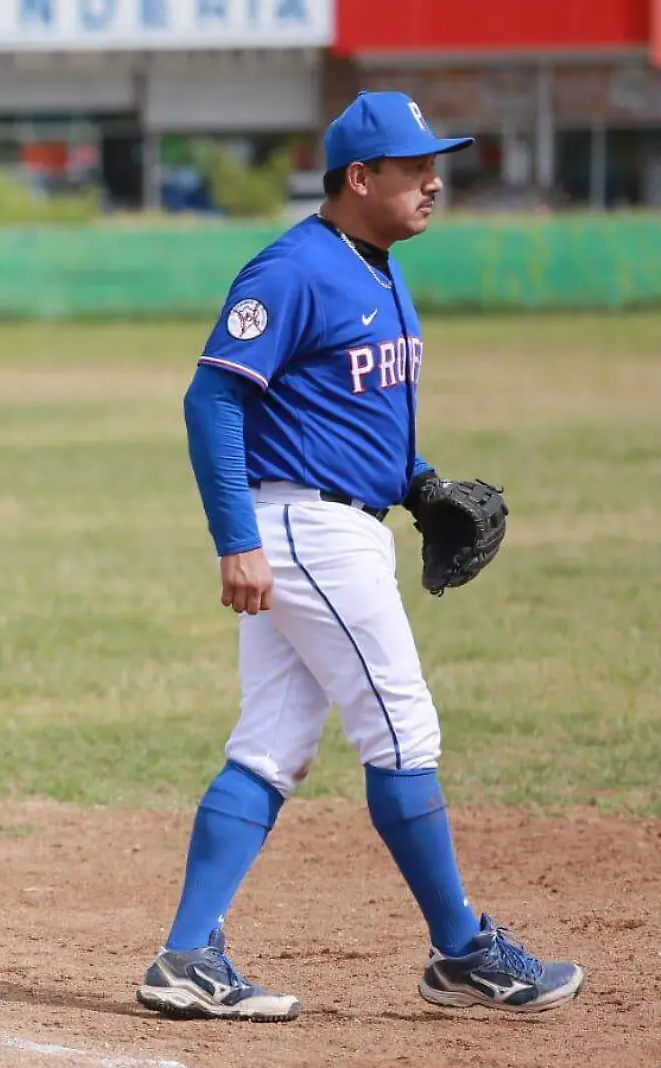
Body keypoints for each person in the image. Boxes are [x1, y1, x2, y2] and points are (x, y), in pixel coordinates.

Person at [136, 91, 586, 1022]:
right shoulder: (294, 270)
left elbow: (346, 412)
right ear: (358, 178)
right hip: (305, 531)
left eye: (436, 164)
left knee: (270, 748)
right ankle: (463, 952)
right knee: (402, 732)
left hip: (333, 523)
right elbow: (212, 403)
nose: (434, 182)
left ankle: (185, 959)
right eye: (414, 167)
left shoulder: (374, 266)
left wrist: (418, 485)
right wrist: (238, 543)